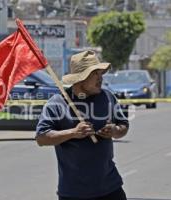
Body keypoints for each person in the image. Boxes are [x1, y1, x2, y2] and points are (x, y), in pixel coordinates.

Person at [36, 50, 129, 200]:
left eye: (101, 74)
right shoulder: (57, 103)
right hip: (74, 192)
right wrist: (73, 133)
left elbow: (123, 125)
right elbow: (41, 138)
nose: (101, 79)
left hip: (111, 188)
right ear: (80, 78)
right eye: (95, 74)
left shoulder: (108, 97)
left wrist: (115, 130)